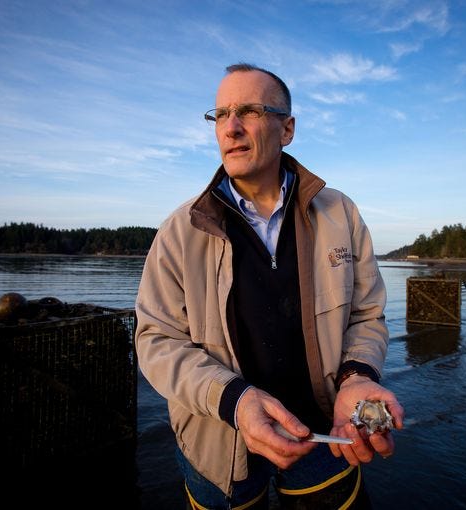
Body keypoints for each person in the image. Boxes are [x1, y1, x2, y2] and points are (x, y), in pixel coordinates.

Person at [135, 63, 404, 509]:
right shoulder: (180, 231)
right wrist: (235, 402)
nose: (231, 128)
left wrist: (357, 378)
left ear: (288, 129)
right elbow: (156, 340)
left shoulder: (340, 213)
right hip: (220, 441)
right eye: (220, 115)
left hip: (326, 432)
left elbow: (366, 314)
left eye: (249, 111)